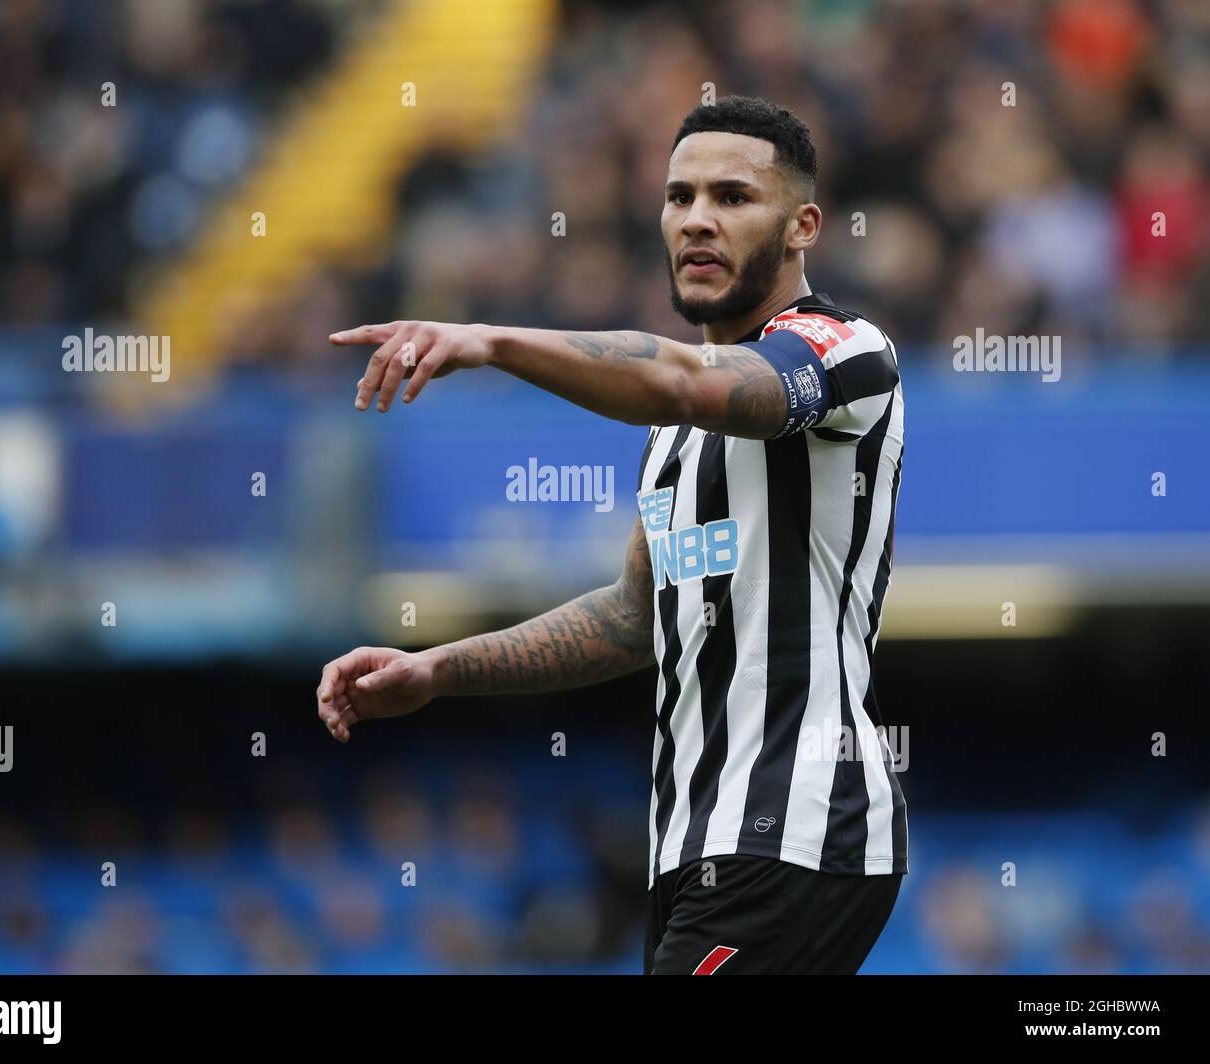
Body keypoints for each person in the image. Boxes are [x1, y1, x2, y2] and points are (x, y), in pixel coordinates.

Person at [319, 95, 907, 974]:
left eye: (734, 198)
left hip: (796, 823)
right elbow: (634, 618)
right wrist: (437, 669)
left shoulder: (843, 349)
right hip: (690, 845)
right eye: (680, 198)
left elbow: (682, 382)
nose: (698, 220)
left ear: (802, 226)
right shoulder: (670, 440)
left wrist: (487, 339)